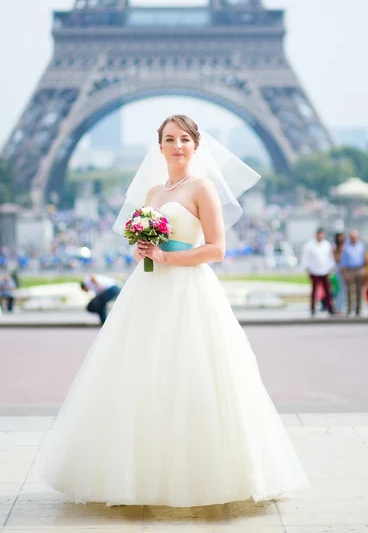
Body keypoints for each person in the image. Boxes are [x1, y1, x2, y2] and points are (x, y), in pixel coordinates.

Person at [42, 115, 308, 507]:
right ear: (160, 146)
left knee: (190, 372)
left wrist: (167, 256)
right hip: (150, 290)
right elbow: (147, 244)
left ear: (196, 147)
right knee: (142, 374)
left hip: (188, 290)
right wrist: (143, 250)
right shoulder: (152, 193)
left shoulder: (204, 188)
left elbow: (217, 249)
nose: (178, 146)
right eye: (170, 139)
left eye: (185, 139)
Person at [301, 228, 335, 317]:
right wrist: (307, 269)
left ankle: (330, 308)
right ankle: (313, 309)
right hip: (314, 270)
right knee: (314, 291)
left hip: (325, 270)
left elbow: (330, 257)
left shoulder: (326, 244)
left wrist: (331, 268)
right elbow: (306, 258)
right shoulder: (310, 245)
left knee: (327, 290)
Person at [340, 229, 366, 317]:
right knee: (350, 291)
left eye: (354, 237)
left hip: (359, 269)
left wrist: (364, 271)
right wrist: (345, 273)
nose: (353, 239)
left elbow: (364, 259)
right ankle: (349, 309)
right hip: (350, 270)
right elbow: (343, 262)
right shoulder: (346, 247)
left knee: (359, 291)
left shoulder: (361, 246)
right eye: (352, 237)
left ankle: (358, 310)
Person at [332, 232, 346, 315]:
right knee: (339, 289)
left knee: (344, 290)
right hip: (338, 270)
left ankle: (341, 307)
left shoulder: (346, 246)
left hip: (346, 270)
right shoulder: (335, 248)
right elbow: (337, 259)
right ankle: (338, 308)